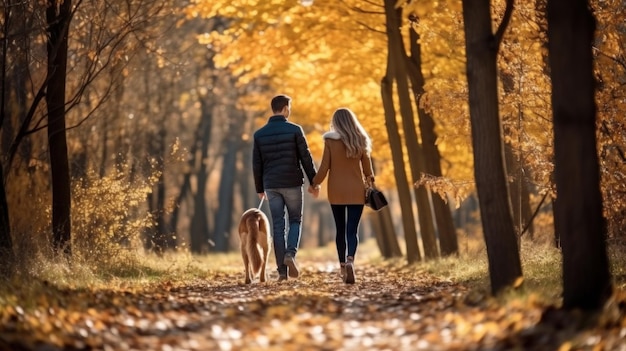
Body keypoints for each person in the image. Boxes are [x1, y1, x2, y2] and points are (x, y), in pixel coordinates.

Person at [253, 94, 317, 281]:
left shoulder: (259, 134)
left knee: (278, 226)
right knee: (295, 220)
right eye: (289, 107)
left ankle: (282, 272)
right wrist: (314, 181)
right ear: (285, 108)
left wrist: (260, 188)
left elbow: (257, 164)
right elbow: (305, 157)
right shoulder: (295, 130)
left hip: (271, 185)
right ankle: (290, 254)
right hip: (292, 183)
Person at [310, 107, 375, 284]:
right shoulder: (360, 140)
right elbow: (368, 171)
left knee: (340, 229)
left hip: (336, 191)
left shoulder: (330, 142)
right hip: (356, 191)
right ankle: (350, 260)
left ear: (336, 122)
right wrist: (371, 182)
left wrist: (314, 183)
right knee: (352, 230)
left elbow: (324, 167)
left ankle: (342, 268)